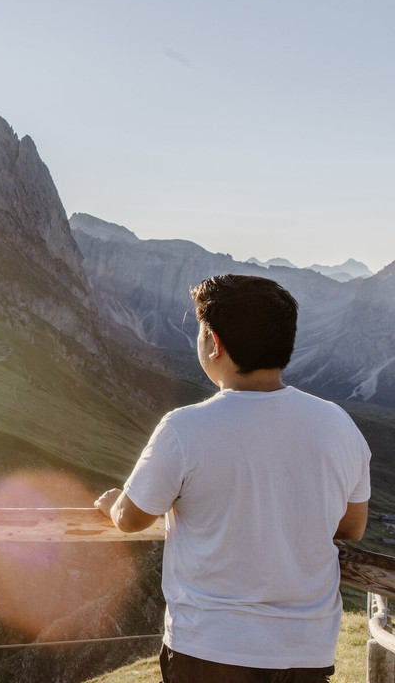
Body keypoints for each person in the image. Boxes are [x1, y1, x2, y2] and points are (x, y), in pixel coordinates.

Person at [95, 274, 371, 682]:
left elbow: (132, 519)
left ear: (215, 342)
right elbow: (353, 526)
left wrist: (113, 503)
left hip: (210, 649)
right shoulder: (337, 423)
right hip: (306, 652)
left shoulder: (184, 428)